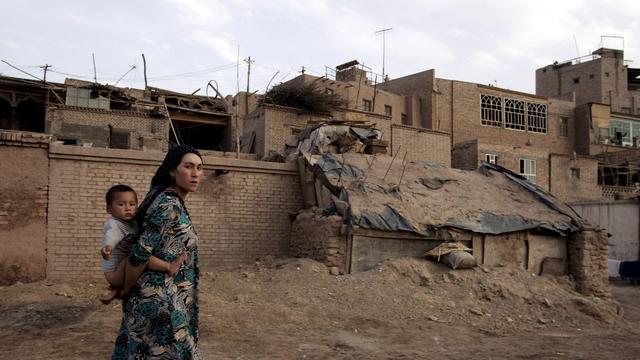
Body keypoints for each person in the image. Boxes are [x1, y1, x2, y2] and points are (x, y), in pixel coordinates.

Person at [112, 145, 204, 360]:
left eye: (199, 168)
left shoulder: (166, 199)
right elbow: (139, 253)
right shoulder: (168, 205)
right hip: (161, 303)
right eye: (188, 167)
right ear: (172, 170)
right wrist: (124, 289)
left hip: (164, 297)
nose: (195, 174)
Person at [98, 184, 186, 304]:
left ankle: (115, 291)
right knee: (138, 255)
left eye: (132, 204)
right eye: (121, 204)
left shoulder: (131, 222)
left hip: (122, 271)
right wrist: (108, 246)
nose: (128, 208)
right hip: (114, 275)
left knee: (138, 254)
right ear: (109, 209)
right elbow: (111, 235)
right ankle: (169, 267)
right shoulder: (114, 224)